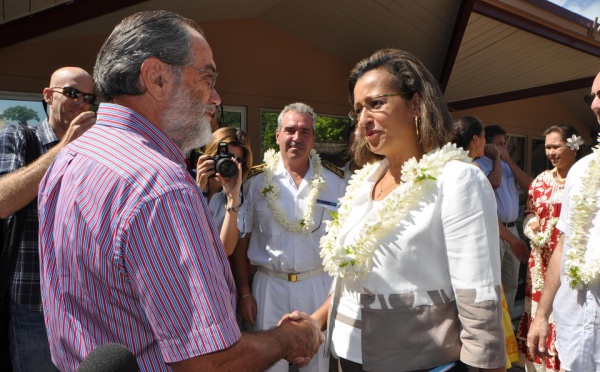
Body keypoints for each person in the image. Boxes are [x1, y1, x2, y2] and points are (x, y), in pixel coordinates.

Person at [37, 11, 322, 372]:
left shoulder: (69, 156)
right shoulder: (161, 187)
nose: (216, 97)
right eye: (208, 78)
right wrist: (288, 339)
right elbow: (209, 362)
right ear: (156, 78)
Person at [310, 48, 506, 371]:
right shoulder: (364, 182)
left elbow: (480, 300)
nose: (363, 120)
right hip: (345, 357)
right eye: (357, 110)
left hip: (416, 360)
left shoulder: (457, 179)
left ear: (416, 103)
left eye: (376, 103)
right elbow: (351, 277)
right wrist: (314, 321)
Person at [232, 102, 347, 372]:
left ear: (314, 138)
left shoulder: (337, 182)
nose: (297, 137)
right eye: (290, 130)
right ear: (277, 135)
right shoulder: (255, 181)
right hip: (268, 288)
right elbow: (241, 242)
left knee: (316, 366)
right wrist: (244, 293)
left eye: (305, 131)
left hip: (317, 286)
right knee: (266, 364)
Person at [0, 67, 96, 371]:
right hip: (33, 305)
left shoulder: (93, 152)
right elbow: (3, 201)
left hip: (84, 308)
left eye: (88, 97)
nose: (80, 102)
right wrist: (66, 146)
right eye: (70, 93)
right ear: (47, 95)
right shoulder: (18, 135)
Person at [527, 73, 600, 371]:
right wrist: (542, 314)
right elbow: (565, 242)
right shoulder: (583, 172)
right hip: (576, 334)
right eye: (592, 97)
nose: (595, 105)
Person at [453, 116, 520, 369]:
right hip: (475, 251)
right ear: (476, 140)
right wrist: (512, 239)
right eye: (485, 138)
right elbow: (487, 213)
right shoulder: (473, 169)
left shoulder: (464, 167)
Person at [516, 125, 581, 371]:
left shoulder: (586, 178)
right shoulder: (541, 181)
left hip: (572, 259)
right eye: (547, 147)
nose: (551, 152)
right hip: (541, 262)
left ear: (573, 146)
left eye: (557, 146)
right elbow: (530, 209)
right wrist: (531, 222)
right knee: (541, 312)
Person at [474, 124, 532, 320]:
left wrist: (507, 160)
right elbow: (495, 182)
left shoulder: (508, 165)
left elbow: (530, 186)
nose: (503, 147)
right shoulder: (478, 164)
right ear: (487, 144)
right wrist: (497, 159)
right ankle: (495, 324)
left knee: (511, 282)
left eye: (504, 144)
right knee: (495, 282)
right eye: (498, 144)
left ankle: (506, 326)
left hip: (512, 230)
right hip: (494, 231)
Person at [195, 127, 252, 255]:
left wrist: (232, 198)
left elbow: (226, 250)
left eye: (236, 161)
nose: (226, 164)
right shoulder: (184, 184)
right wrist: (198, 189)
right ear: (209, 156)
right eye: (222, 157)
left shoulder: (239, 199)